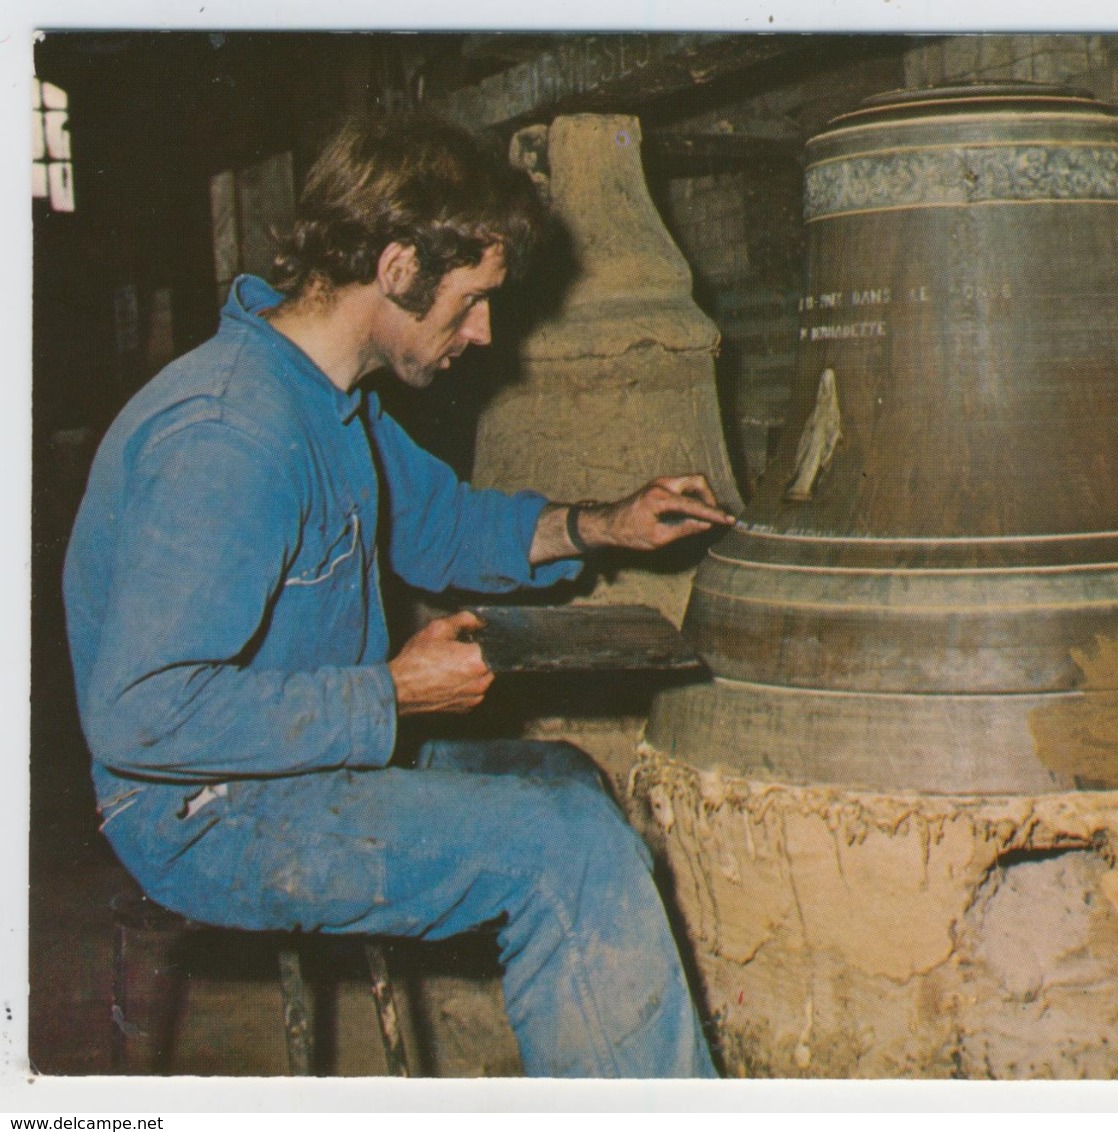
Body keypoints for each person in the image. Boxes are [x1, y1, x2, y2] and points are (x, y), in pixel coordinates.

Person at [62, 116, 735, 1077]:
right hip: (204, 814)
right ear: (396, 266)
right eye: (470, 302)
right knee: (568, 851)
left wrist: (601, 524)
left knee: (566, 788)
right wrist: (392, 695)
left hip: (293, 767)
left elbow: (447, 526)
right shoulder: (227, 435)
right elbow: (140, 719)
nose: (484, 331)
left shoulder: (330, 402)